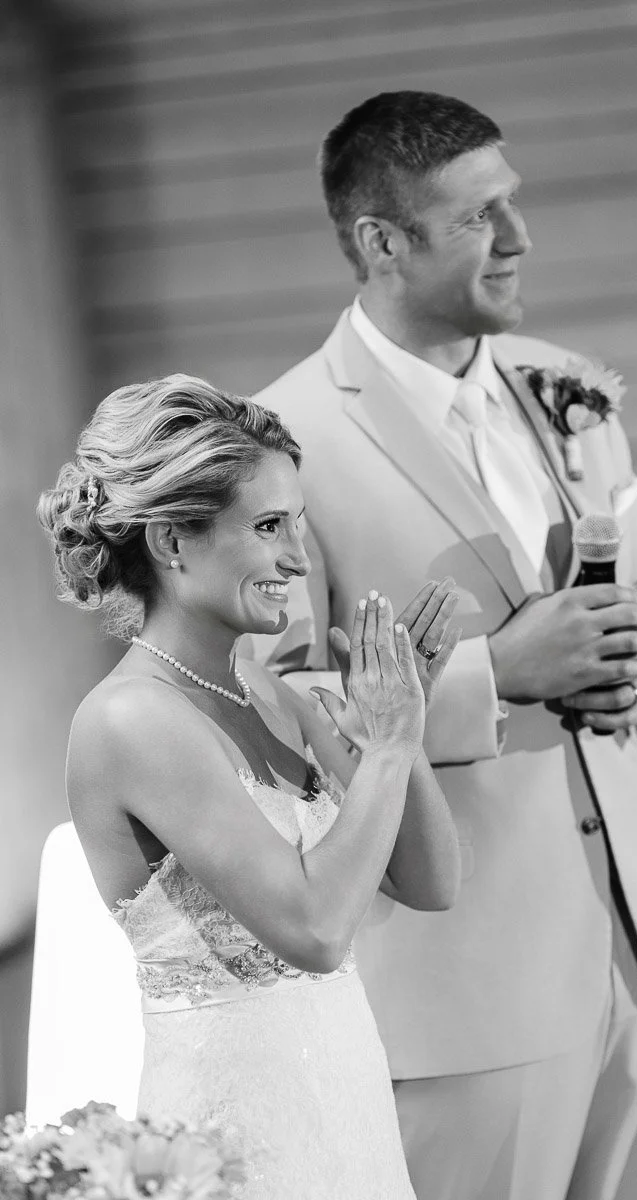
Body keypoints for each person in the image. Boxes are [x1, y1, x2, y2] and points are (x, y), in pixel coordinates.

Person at [249, 91, 637, 1200]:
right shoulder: (282, 442)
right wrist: (497, 674)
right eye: (477, 218)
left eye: (512, 203)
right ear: (381, 242)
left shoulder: (563, 383)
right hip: (472, 998)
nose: (519, 238)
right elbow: (274, 703)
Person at [36, 374, 463, 1200]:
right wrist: (383, 749)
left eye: (298, 523)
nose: (298, 558)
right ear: (171, 541)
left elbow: (432, 881)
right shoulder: (130, 720)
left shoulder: (272, 694)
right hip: (238, 1136)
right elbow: (314, 931)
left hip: (346, 1108)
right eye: (269, 527)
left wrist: (403, 731)